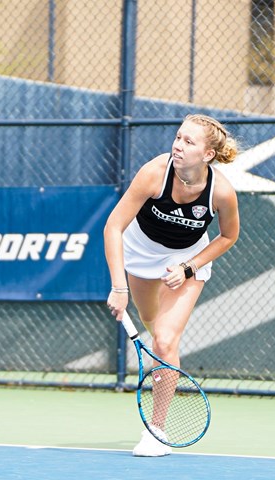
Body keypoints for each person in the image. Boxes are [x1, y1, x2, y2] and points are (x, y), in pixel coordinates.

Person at [103, 114, 240, 457]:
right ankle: (166, 363)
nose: (178, 145)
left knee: (164, 341)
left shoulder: (221, 192)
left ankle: (156, 430)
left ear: (208, 154)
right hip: (140, 253)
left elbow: (228, 236)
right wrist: (119, 288)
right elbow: (113, 227)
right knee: (154, 327)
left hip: (188, 258)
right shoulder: (154, 173)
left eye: (189, 142)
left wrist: (190, 267)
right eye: (178, 137)